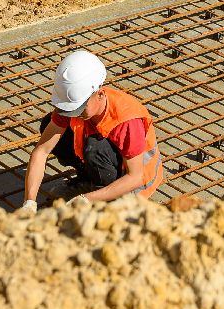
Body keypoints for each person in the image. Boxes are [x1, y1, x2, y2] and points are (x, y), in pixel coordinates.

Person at [21, 49, 163, 211]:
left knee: (95, 148)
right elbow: (41, 151)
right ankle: (88, 181)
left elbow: (135, 177)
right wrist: (29, 201)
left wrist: (87, 199)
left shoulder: (126, 120)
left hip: (133, 185)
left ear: (100, 94)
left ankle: (104, 199)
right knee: (50, 125)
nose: (75, 114)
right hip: (106, 162)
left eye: (80, 108)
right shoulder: (74, 104)